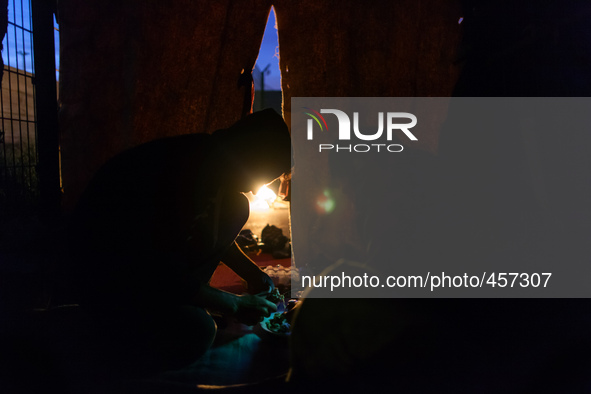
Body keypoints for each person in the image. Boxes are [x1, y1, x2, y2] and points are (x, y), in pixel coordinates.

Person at [67, 109, 291, 373]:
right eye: (263, 174)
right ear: (249, 151)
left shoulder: (211, 161)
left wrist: (253, 273)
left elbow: (207, 234)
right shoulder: (181, 171)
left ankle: (187, 302)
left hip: (151, 269)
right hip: (104, 282)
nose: (256, 188)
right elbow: (156, 271)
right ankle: (112, 345)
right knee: (199, 331)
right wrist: (235, 304)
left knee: (236, 206)